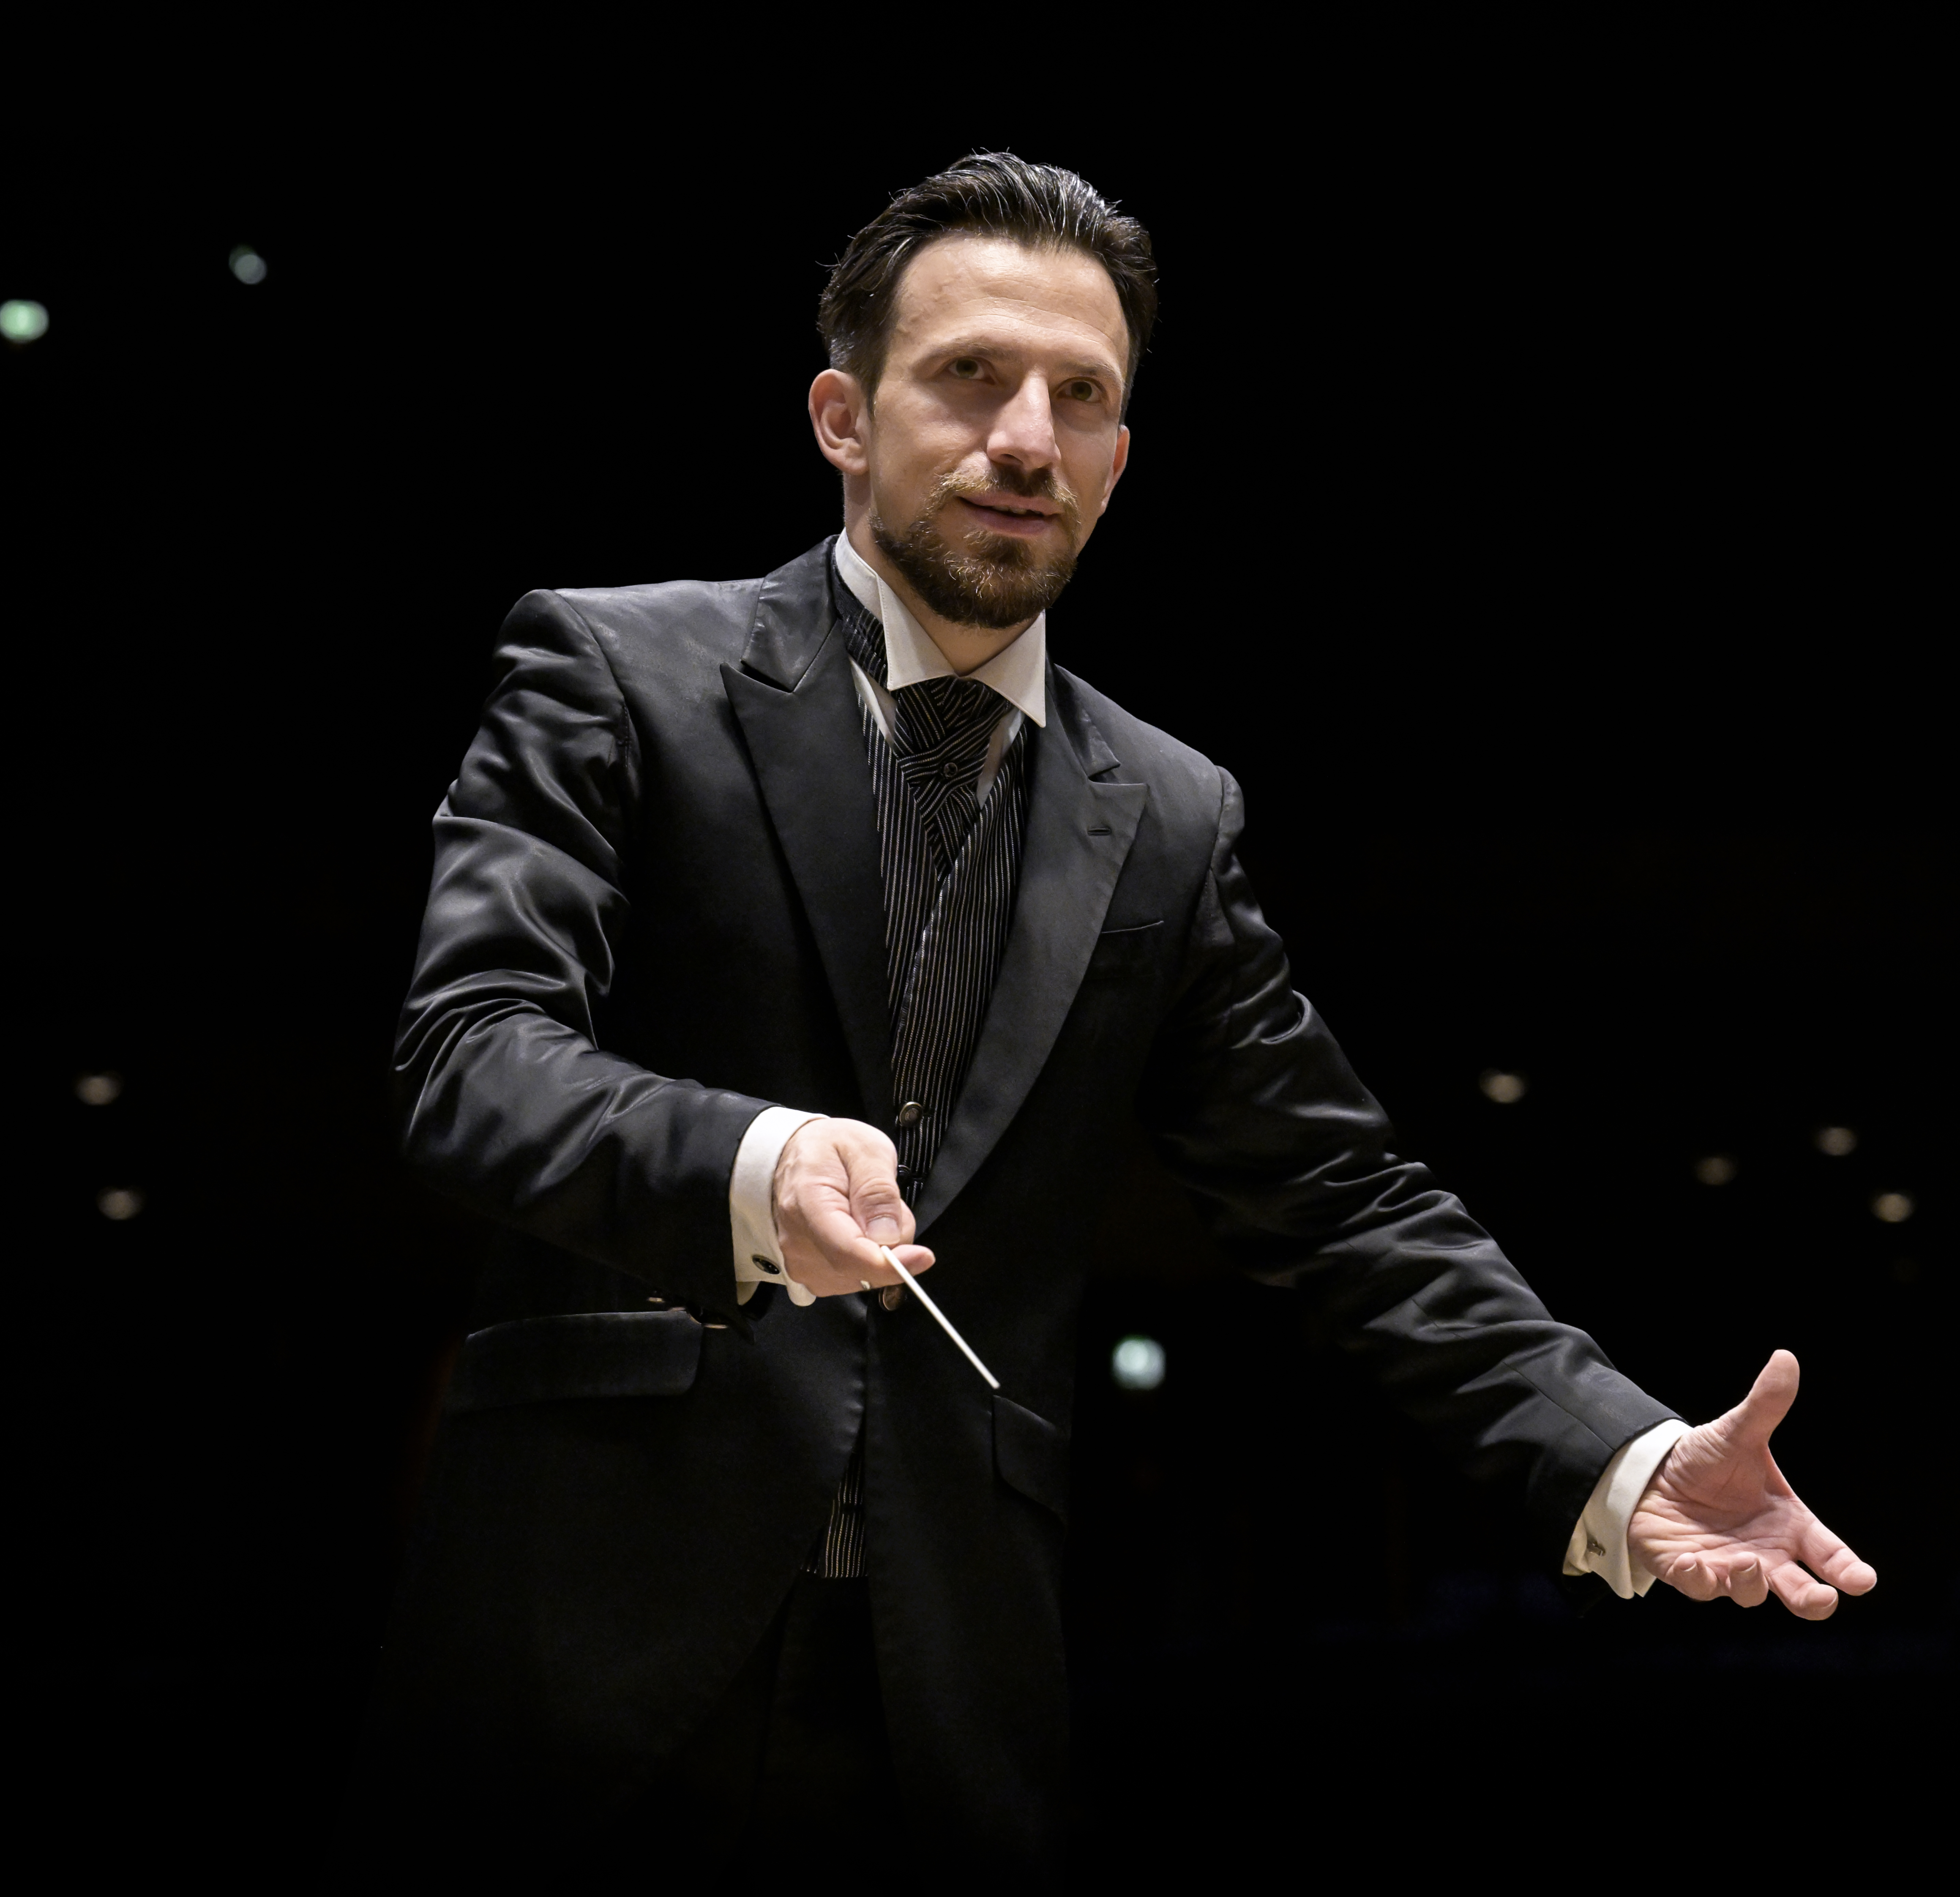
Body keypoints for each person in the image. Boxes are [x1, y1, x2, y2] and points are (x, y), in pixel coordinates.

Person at [335, 152, 1875, 1886]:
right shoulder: (616, 671)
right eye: (970, 376)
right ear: (844, 418)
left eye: (1080, 396)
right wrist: (751, 1164)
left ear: (1120, 459)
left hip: (949, 1684)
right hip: (576, 1644)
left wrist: (1619, 1450)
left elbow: (1343, 1199)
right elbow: (473, 1052)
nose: (1027, 438)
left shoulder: (1167, 811)